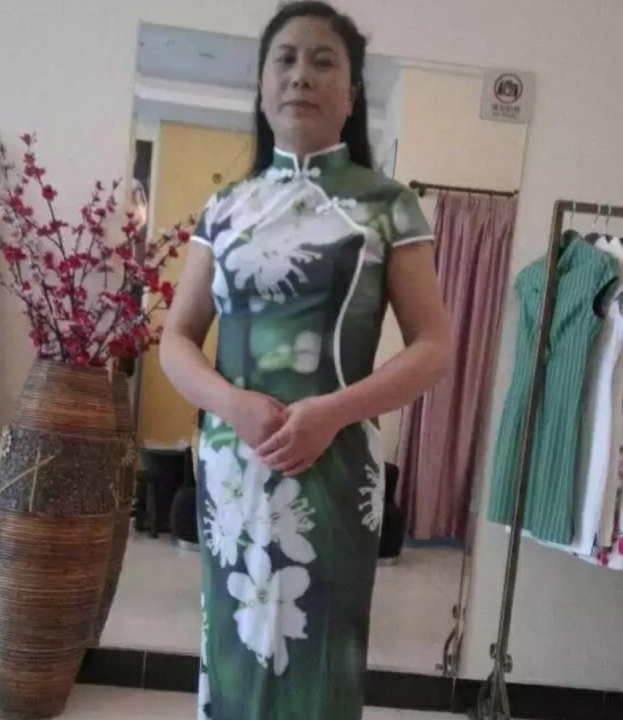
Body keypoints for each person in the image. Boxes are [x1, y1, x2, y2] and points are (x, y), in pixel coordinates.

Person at [160, 2, 452, 718]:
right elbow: (176, 340)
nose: (301, 75)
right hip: (233, 465)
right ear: (262, 87)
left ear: (352, 95)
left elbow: (433, 346)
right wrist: (231, 404)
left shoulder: (387, 205)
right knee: (234, 643)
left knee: (320, 648)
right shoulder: (224, 208)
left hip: (336, 463)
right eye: (285, 60)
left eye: (324, 61)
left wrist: (331, 412)